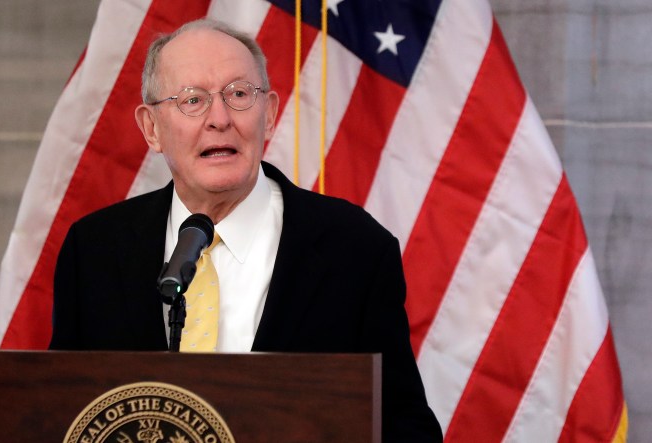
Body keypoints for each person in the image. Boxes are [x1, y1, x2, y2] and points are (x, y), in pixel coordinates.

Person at [50, 19, 442, 440]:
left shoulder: (356, 250)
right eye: (192, 100)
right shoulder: (93, 251)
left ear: (269, 114)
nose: (219, 119)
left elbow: (405, 426)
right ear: (151, 128)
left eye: (238, 95)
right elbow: (59, 411)